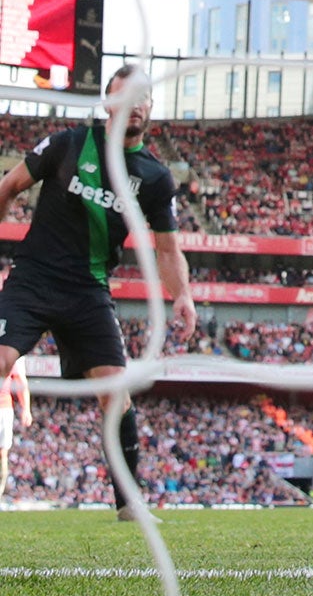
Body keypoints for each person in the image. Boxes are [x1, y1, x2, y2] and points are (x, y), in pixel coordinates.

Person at [0, 65, 196, 521]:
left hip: (89, 291)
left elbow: (167, 250)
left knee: (117, 393)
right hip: (33, 278)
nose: (136, 105)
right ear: (108, 104)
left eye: (143, 98)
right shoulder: (68, 143)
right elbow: (9, 186)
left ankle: (130, 505)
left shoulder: (154, 177)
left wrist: (182, 294)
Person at [0, 357, 29, 496]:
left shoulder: (10, 350)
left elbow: (20, 381)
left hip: (3, 407)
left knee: (2, 453)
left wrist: (26, 408)